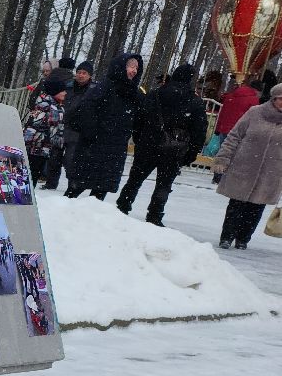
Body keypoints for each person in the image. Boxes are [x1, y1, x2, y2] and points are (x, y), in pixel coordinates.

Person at [117, 63, 208, 225]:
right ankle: (155, 214)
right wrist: (191, 152)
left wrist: (139, 138)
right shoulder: (195, 102)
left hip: (148, 143)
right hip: (174, 149)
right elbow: (199, 130)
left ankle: (123, 205)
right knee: (164, 184)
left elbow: (139, 118)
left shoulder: (155, 94)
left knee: (135, 178)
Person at [64, 52, 145, 200]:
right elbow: (86, 110)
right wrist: (92, 133)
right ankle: (60, 214)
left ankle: (91, 220)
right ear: (120, 67)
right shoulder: (104, 88)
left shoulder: (134, 94)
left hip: (115, 148)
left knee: (101, 190)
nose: (133, 70)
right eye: (130, 66)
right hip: (94, 146)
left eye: (136, 67)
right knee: (77, 188)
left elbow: (139, 119)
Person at [211, 82, 282, 249]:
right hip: (244, 166)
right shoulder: (255, 113)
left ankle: (243, 239)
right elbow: (234, 136)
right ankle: (226, 237)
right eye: (281, 99)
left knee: (256, 208)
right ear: (274, 98)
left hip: (271, 172)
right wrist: (223, 159)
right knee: (236, 204)